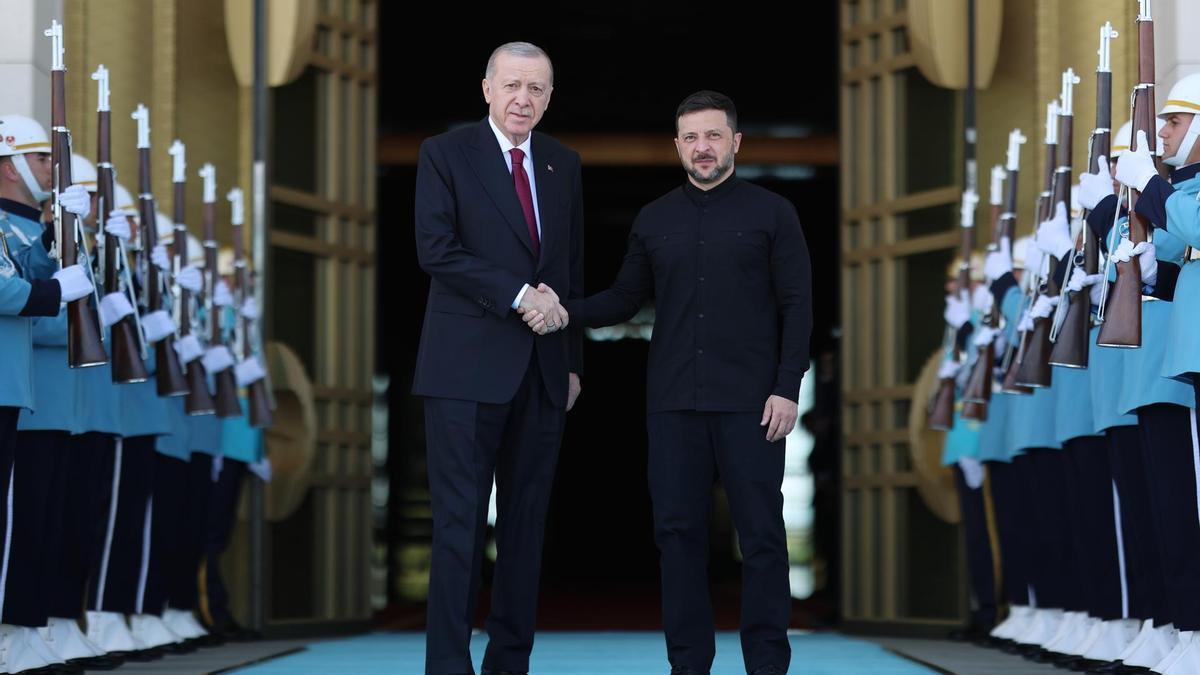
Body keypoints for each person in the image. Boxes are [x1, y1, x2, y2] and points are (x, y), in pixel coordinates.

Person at [536, 90, 811, 675]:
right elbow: (624, 299)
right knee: (677, 534)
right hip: (672, 403)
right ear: (677, 147)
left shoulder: (773, 213)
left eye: (713, 136)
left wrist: (788, 387)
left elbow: (798, 305)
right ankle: (689, 664)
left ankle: (768, 664)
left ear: (735, 142)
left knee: (761, 535)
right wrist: (563, 310)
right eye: (691, 138)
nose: (702, 148)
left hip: (753, 403)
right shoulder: (655, 218)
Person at [411, 41, 584, 675]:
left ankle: (510, 663)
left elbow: (569, 267)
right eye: (512, 85)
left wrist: (569, 362)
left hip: (541, 372)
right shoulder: (445, 153)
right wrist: (518, 296)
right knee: (458, 526)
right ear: (485, 88)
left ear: (548, 97)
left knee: (525, 528)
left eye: (536, 88)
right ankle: (448, 667)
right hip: (463, 369)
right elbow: (436, 249)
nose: (523, 99)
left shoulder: (564, 163)